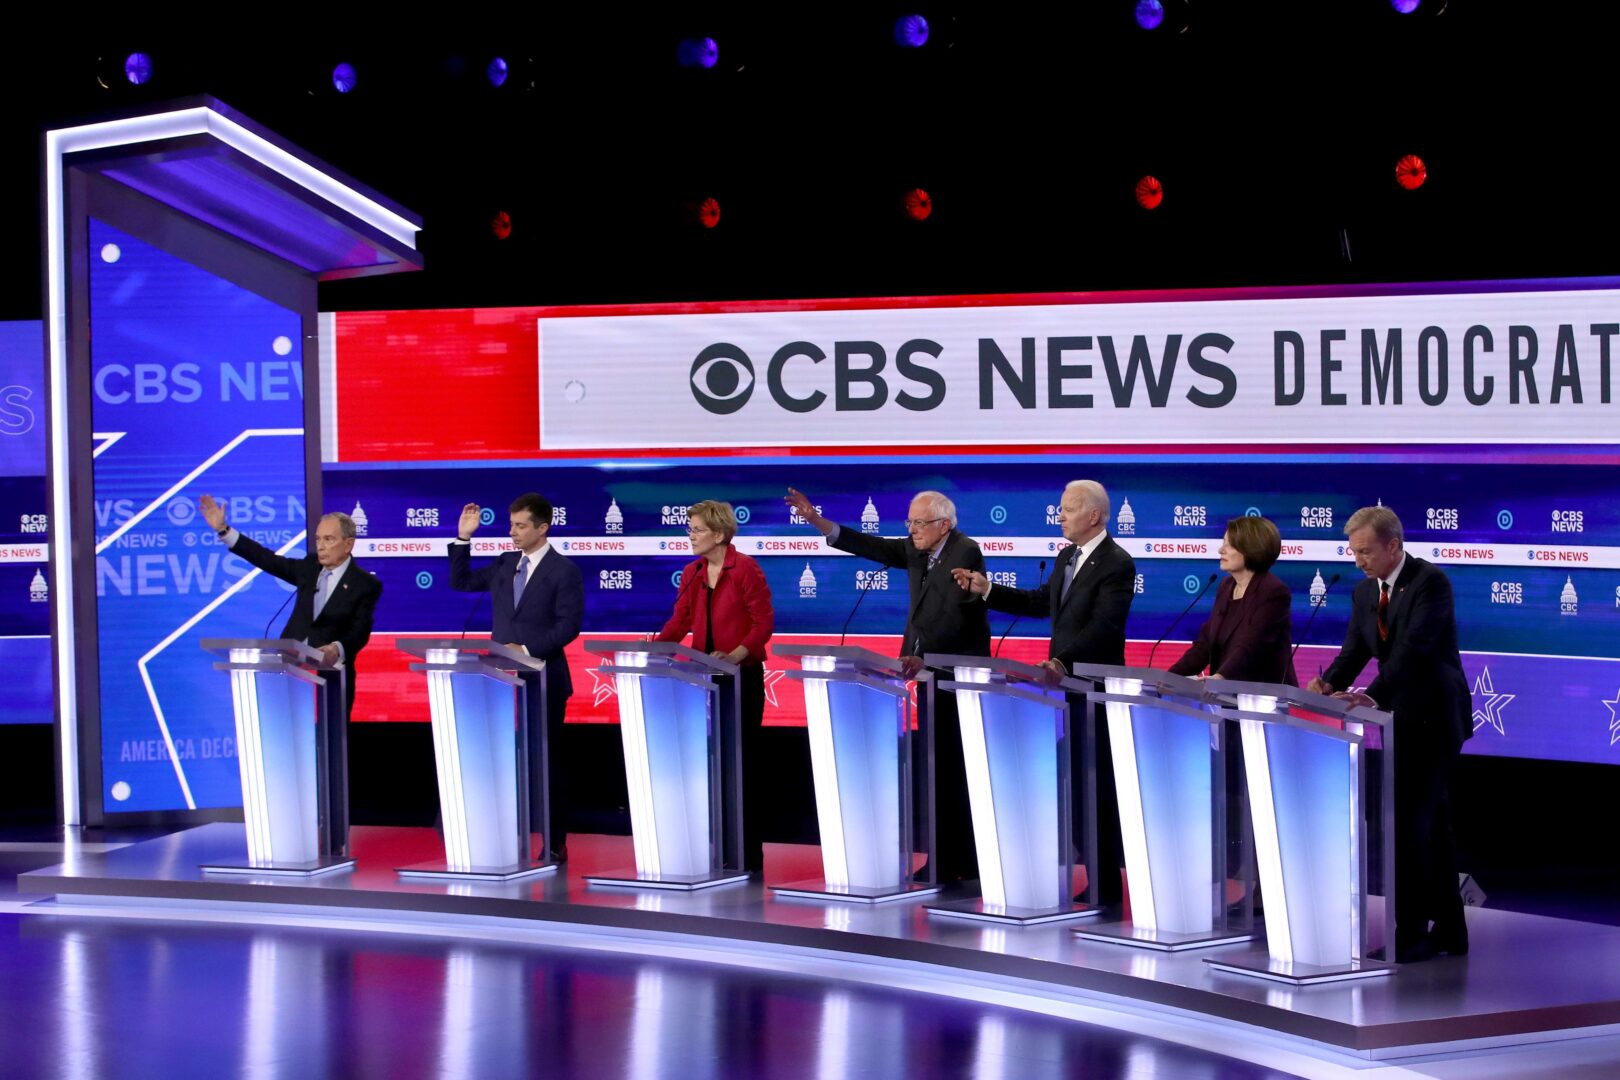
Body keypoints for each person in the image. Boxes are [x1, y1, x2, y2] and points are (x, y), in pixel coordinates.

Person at [785, 486, 990, 882]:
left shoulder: (964, 551)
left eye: (919, 522)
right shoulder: (919, 548)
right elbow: (872, 547)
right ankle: (949, 858)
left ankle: (958, 859)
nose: (911, 529)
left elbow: (953, 614)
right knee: (938, 768)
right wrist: (816, 521)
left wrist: (924, 655)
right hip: (931, 672)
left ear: (943, 525)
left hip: (956, 675)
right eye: (909, 521)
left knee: (954, 769)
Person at [953, 480, 1135, 907]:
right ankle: (1090, 879)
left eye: (1068, 509)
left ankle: (1107, 886)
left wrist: (1062, 661)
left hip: (1095, 690)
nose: (1060, 516)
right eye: (1060, 509)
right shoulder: (1066, 556)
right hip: (1065, 688)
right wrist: (988, 590)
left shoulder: (1117, 563)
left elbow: (1104, 628)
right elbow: (1041, 604)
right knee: (1077, 788)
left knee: (1099, 789)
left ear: (1093, 515)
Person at [1307, 505, 1472, 963]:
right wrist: (1329, 684)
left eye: (1365, 551)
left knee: (1409, 827)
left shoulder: (1429, 582)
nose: (1358, 560)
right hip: (1400, 719)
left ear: (1392, 545)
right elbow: (1355, 649)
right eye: (1353, 551)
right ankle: (1451, 933)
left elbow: (1413, 652)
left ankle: (1413, 935)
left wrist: (1371, 696)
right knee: (1431, 829)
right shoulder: (1364, 592)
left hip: (1436, 718)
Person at [200, 494, 382, 857]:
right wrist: (224, 530)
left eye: (329, 540)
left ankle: (332, 837)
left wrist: (337, 649)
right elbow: (267, 560)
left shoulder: (365, 584)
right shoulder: (309, 569)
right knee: (286, 750)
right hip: (287, 674)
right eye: (317, 539)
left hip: (330, 681)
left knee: (328, 755)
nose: (321, 546)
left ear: (349, 543)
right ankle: (285, 829)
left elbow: (359, 632)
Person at [451, 493, 584, 863]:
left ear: (543, 528)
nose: (513, 532)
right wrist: (464, 538)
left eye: (521, 526)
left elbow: (568, 626)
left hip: (544, 679)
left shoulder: (563, 570)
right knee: (500, 761)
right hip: (497, 681)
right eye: (511, 525)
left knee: (546, 763)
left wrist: (524, 650)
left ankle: (555, 841)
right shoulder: (506, 563)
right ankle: (498, 836)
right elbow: (460, 582)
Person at [655, 500, 775, 873]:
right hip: (701, 679)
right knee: (709, 765)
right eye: (689, 529)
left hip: (740, 677)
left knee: (741, 765)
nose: (690, 536)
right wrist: (653, 651)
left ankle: (746, 855)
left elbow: (763, 624)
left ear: (719, 534)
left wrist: (736, 654)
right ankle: (719, 848)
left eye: (696, 530)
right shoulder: (692, 572)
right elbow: (680, 623)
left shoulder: (745, 570)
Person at [1169, 515, 1298, 685]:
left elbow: (1251, 647)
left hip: (1262, 699)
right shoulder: (1226, 586)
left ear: (1251, 548)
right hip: (1225, 696)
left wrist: (1220, 678)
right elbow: (1206, 644)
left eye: (1229, 545)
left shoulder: (1273, 591)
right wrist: (1169, 677)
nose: (1221, 550)